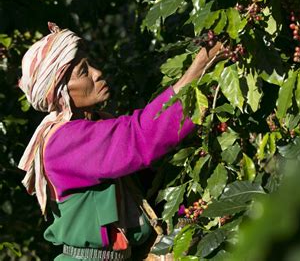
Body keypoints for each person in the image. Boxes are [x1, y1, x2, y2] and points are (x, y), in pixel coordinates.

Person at [17, 22, 221, 260]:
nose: (97, 72)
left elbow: (145, 185)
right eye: (84, 71)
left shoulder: (97, 124)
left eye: (91, 63)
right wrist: (201, 64)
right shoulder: (63, 143)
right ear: (61, 91)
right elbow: (140, 138)